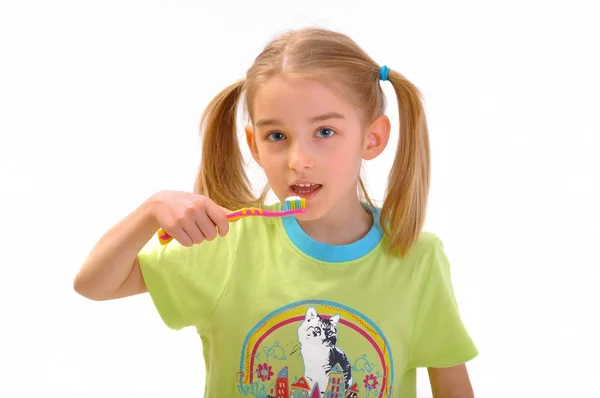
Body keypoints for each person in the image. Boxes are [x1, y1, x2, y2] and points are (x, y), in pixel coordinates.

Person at [74, 27, 478, 398]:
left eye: (324, 132)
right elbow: (94, 284)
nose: (298, 160)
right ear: (254, 145)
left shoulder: (418, 260)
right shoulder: (227, 247)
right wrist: (150, 210)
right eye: (277, 136)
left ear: (372, 138)